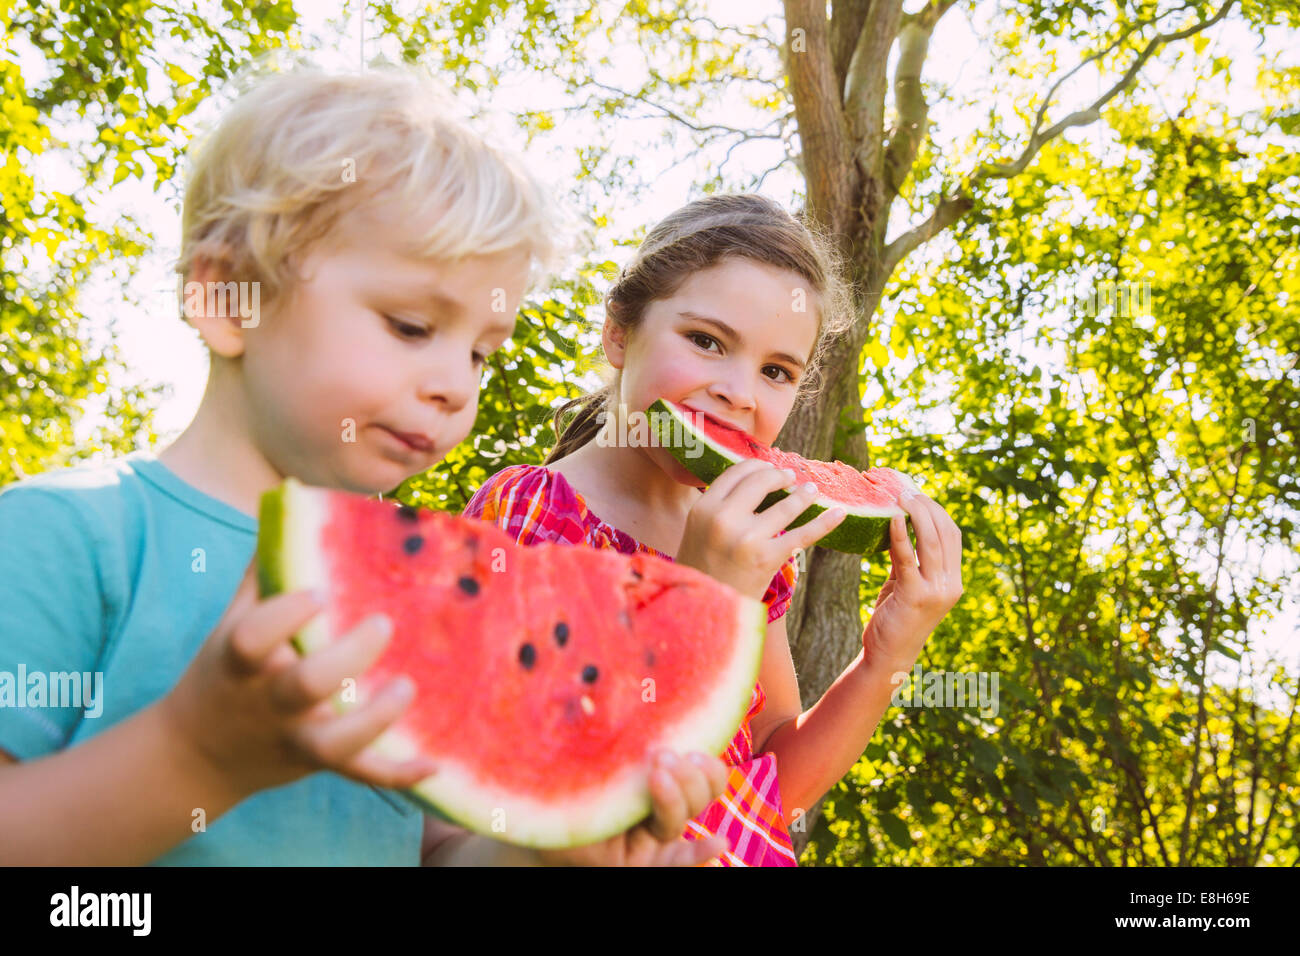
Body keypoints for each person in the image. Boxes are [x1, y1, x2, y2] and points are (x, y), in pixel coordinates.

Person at [0, 64, 728, 867]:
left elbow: (443, 851)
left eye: (482, 354)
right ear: (229, 296)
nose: (455, 385)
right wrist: (193, 757)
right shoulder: (63, 538)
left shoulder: (432, 593)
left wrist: (552, 852)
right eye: (412, 326)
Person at [464, 194, 964, 865]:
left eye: (776, 371)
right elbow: (518, 783)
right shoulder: (528, 515)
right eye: (706, 341)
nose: (739, 391)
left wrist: (883, 660)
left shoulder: (756, 545)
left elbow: (773, 781)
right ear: (619, 333)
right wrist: (701, 596)